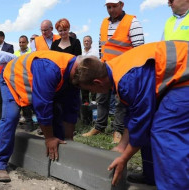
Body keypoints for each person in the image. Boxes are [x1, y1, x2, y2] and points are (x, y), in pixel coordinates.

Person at [73, 40, 189, 189]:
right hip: (180, 74)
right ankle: (152, 175)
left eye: (91, 90)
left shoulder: (127, 80)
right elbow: (135, 116)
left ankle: (175, 186)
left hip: (184, 78)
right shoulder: (115, 69)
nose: (93, 94)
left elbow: (142, 121)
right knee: (150, 126)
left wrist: (125, 157)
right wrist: (122, 147)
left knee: (165, 131)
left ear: (97, 83)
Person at [0, 51, 81, 182]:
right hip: (12, 78)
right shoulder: (50, 69)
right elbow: (42, 106)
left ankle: (58, 158)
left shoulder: (75, 74)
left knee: (56, 111)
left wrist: (68, 140)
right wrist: (49, 138)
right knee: (11, 117)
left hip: (32, 82)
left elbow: (71, 109)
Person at [83, 0, 144, 145]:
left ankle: (118, 130)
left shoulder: (132, 22)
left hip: (124, 69)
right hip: (106, 67)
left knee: (120, 101)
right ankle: (100, 126)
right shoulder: (104, 22)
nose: (111, 10)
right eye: (109, 7)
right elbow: (101, 46)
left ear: (121, 5)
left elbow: (140, 49)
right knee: (101, 98)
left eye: (114, 6)